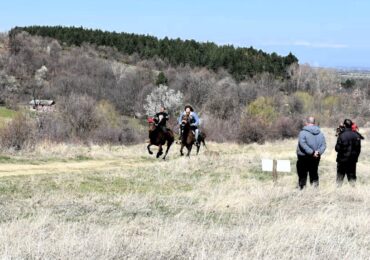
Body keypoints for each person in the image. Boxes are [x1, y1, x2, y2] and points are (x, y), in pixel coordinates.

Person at [296, 116, 326, 189]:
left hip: (303, 157)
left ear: (306, 122)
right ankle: (315, 191)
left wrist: (312, 152)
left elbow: (302, 144)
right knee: (314, 174)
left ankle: (302, 191)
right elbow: (324, 145)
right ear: (314, 123)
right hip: (315, 157)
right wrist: (318, 153)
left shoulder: (302, 133)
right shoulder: (320, 133)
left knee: (302, 175)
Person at [335, 119, 362, 186]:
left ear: (344, 125)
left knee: (339, 179)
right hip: (352, 160)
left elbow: (337, 148)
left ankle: (337, 192)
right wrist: (355, 157)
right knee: (352, 179)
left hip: (342, 160)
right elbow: (358, 149)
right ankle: (353, 193)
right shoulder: (357, 135)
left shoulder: (342, 135)